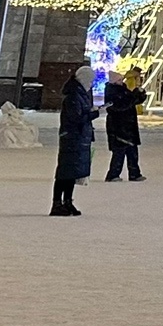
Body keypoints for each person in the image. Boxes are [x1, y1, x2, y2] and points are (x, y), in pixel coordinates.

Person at [51, 68, 97, 216]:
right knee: (65, 171)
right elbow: (76, 118)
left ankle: (67, 201)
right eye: (90, 81)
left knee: (72, 172)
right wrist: (93, 114)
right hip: (72, 138)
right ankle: (58, 204)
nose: (91, 84)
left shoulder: (80, 94)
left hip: (78, 138)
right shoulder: (74, 96)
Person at [102, 68, 145, 182]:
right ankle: (113, 174)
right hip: (119, 127)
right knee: (119, 152)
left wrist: (140, 94)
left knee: (132, 151)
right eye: (119, 80)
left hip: (128, 126)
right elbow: (121, 105)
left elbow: (131, 101)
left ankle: (134, 173)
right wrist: (134, 96)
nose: (122, 81)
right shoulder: (113, 92)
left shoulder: (123, 90)